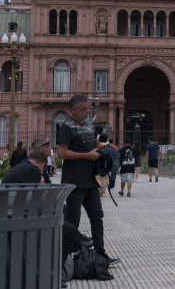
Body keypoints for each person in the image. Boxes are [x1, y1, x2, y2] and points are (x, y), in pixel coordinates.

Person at [2, 150, 84, 281]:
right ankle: (53, 273)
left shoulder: (20, 167)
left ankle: (76, 244)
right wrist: (42, 183)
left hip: (11, 216)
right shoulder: (32, 170)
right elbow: (40, 195)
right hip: (21, 220)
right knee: (70, 231)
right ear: (42, 164)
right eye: (43, 169)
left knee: (63, 218)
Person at [57, 95, 118, 266]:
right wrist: (86, 155)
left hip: (90, 179)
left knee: (97, 216)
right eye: (83, 110)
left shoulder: (89, 124)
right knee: (73, 220)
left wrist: (104, 148)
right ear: (73, 110)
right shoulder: (66, 127)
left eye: (88, 109)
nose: (87, 112)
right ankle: (65, 258)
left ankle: (100, 255)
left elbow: (94, 141)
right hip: (74, 180)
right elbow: (61, 152)